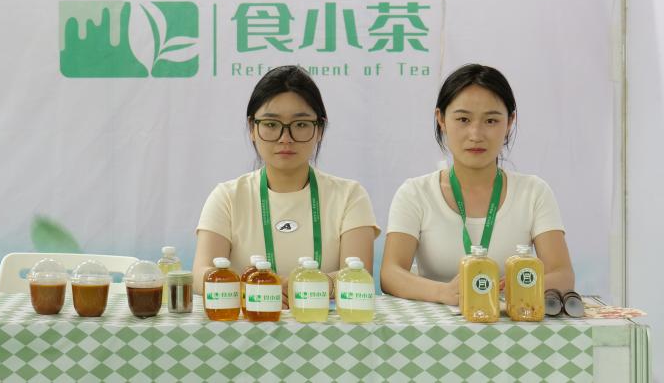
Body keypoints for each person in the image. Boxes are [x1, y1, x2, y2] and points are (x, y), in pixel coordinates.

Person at [380, 63, 575, 305]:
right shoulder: (415, 193)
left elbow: (562, 275)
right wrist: (443, 293)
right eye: (463, 119)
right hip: (437, 324)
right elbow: (390, 273)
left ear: (510, 121)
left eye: (491, 121)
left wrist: (514, 287)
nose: (476, 134)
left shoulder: (533, 192)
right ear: (441, 119)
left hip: (510, 321)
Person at [193, 65, 378, 304]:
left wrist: (311, 286)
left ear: (320, 130)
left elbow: (359, 275)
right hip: (248, 322)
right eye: (271, 124)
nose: (285, 138)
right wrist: (257, 289)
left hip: (324, 322)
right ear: (252, 128)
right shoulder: (227, 197)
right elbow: (200, 275)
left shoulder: (350, 195)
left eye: (300, 125)